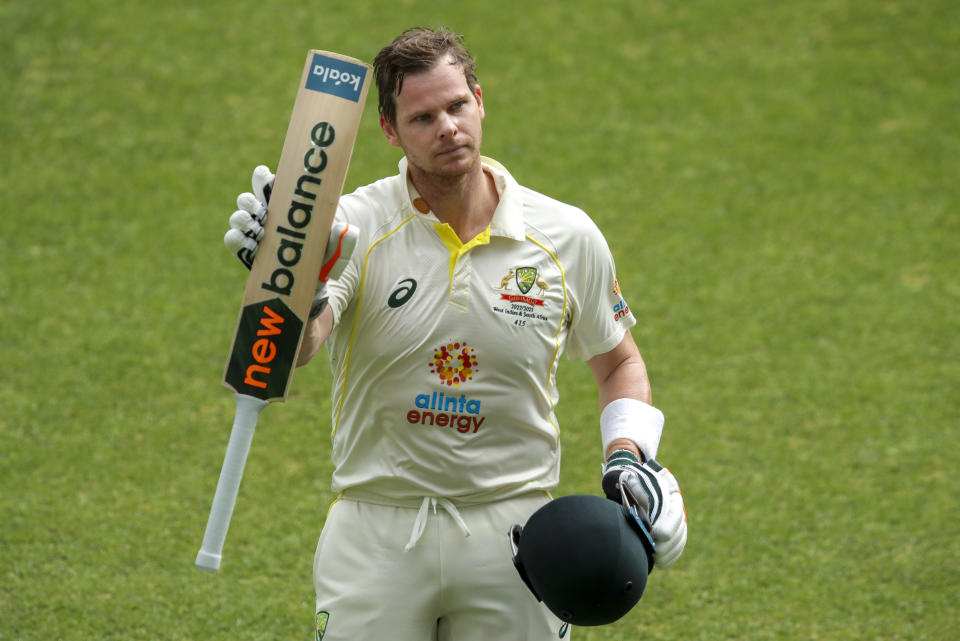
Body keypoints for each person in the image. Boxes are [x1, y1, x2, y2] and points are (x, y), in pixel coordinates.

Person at [224, 26, 687, 641]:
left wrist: (627, 456)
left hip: (516, 536)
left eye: (456, 106)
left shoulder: (567, 236)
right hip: (376, 531)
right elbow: (303, 348)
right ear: (390, 130)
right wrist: (295, 288)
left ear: (479, 99)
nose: (446, 127)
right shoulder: (355, 223)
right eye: (422, 117)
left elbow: (618, 362)